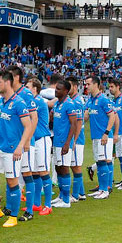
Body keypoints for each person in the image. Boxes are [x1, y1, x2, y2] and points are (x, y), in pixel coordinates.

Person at [0, 71, 32, 228]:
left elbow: (28, 126)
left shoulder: (19, 103)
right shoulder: (1, 102)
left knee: (12, 182)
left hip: (12, 150)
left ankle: (14, 216)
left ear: (7, 83)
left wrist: (20, 146)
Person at [8, 66, 37, 222]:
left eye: (10, 76)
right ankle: (12, 207)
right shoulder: (10, 94)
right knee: (10, 175)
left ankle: (29, 210)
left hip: (24, 143)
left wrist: (27, 140)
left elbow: (34, 117)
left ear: (17, 77)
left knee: (27, 175)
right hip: (11, 143)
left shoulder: (25, 93)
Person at [84, 76, 117, 200]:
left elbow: (112, 116)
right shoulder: (90, 100)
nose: (86, 86)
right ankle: (104, 188)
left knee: (103, 161)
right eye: (85, 84)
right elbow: (86, 116)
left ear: (96, 84)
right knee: (100, 161)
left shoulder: (103, 99)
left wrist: (106, 133)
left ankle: (104, 190)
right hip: (95, 136)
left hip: (103, 136)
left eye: (88, 84)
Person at [25, 77, 53, 216]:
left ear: (35, 89)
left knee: (43, 172)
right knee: (35, 173)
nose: (26, 89)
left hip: (41, 139)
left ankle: (48, 205)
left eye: (28, 87)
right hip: (34, 140)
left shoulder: (38, 101)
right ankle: (36, 204)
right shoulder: (33, 101)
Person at [49, 80, 78, 208]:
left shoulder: (69, 104)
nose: (56, 91)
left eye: (59, 89)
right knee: (58, 168)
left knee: (65, 169)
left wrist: (67, 143)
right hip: (56, 141)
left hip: (63, 142)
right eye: (56, 88)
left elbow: (74, 124)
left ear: (66, 91)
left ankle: (66, 200)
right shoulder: (57, 104)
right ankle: (61, 196)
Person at [66, 76, 86, 202]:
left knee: (76, 167)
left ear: (74, 86)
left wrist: (74, 140)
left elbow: (79, 123)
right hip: (74, 139)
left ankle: (74, 196)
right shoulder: (72, 100)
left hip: (76, 140)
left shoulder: (77, 102)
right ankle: (81, 193)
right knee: (74, 166)